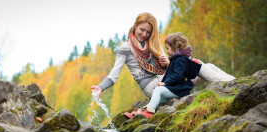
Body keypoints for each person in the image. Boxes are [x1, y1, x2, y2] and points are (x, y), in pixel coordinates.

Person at [91, 12, 235, 116]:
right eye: (142, 29)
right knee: (198, 65)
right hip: (152, 86)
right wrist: (100, 87)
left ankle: (236, 83)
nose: (144, 34)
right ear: (135, 26)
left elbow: (173, 68)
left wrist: (166, 63)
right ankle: (232, 87)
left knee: (207, 66)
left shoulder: (154, 43)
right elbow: (113, 75)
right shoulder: (125, 49)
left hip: (169, 80)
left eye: (148, 32)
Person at [128, 32, 201, 118]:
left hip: (180, 89)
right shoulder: (176, 59)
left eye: (167, 48)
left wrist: (165, 83)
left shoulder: (180, 60)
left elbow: (179, 75)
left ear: (175, 48)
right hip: (176, 88)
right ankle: (141, 112)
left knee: (158, 90)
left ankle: (148, 112)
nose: (166, 51)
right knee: (157, 99)